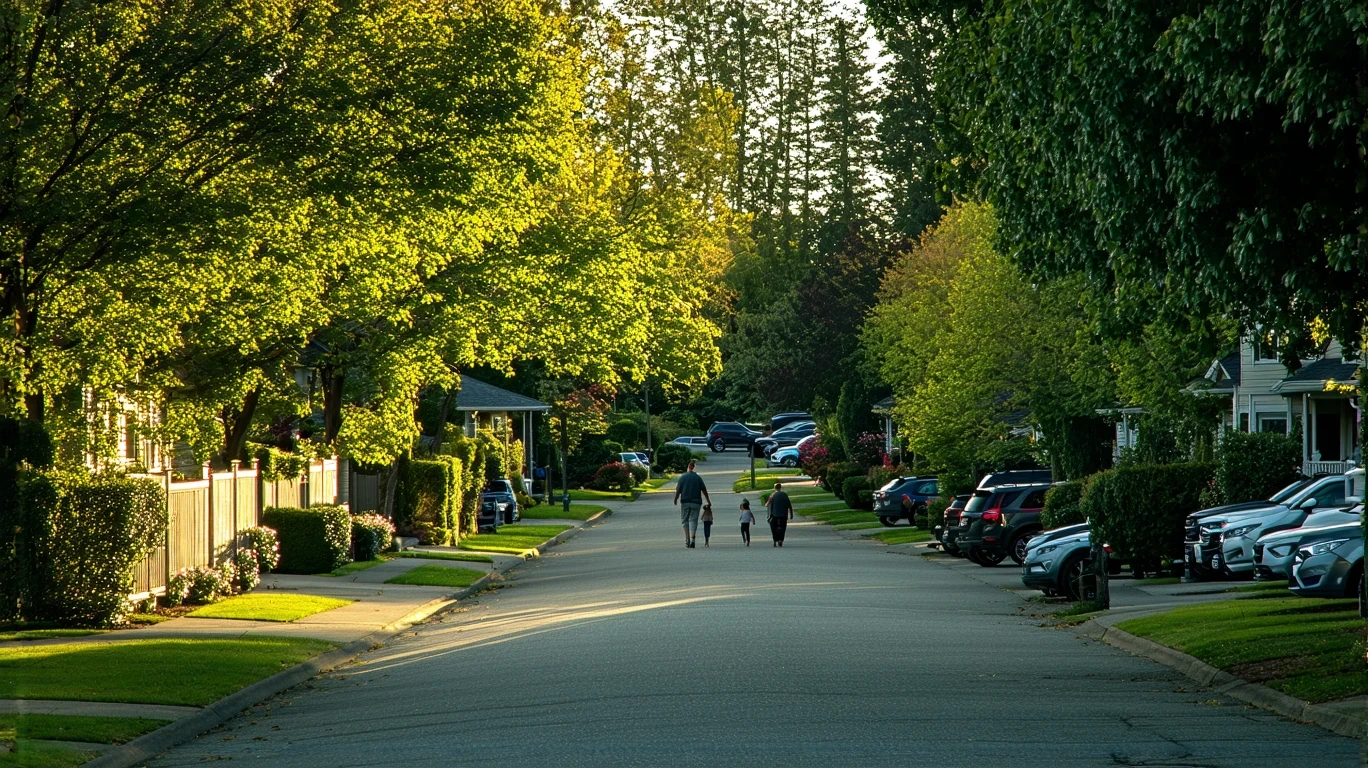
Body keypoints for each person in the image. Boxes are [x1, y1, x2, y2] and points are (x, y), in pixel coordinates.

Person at [673, 460, 711, 548]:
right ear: (694, 467)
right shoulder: (698, 478)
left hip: (685, 502)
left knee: (685, 520)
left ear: (688, 467)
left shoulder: (682, 477)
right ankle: (692, 538)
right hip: (696, 502)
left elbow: (678, 489)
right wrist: (708, 500)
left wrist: (676, 498)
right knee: (693, 520)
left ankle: (687, 539)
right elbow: (704, 490)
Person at [766, 482, 793, 547]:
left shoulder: (772, 495)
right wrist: (791, 514)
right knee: (783, 527)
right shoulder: (784, 495)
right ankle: (781, 540)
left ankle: (775, 539)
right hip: (784, 515)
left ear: (774, 488)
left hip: (774, 515)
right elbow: (789, 505)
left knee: (773, 526)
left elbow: (767, 504)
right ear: (780, 487)